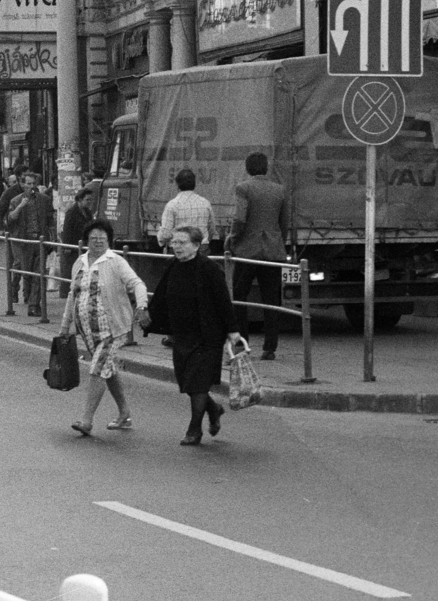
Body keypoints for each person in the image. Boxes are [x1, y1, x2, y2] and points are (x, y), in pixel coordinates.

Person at [145, 225, 244, 445]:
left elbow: (223, 301)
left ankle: (194, 429)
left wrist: (233, 330)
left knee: (198, 383)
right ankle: (214, 409)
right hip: (181, 335)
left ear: (197, 245)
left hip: (207, 335)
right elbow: (160, 297)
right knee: (189, 383)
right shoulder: (172, 266)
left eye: (182, 243)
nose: (176, 247)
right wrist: (148, 318)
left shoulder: (209, 269)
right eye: (174, 242)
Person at [60, 219, 148, 436]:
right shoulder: (79, 263)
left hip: (113, 328)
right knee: (107, 370)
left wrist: (142, 305)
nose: (98, 242)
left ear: (109, 241)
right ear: (86, 241)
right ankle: (124, 413)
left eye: (102, 239)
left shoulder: (116, 261)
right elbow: (73, 294)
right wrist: (65, 326)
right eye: (93, 238)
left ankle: (86, 420)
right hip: (88, 331)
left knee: (98, 368)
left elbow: (137, 283)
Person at [229, 153, 292, 361]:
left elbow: (239, 219)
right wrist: (278, 241)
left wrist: (233, 238)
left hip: (247, 250)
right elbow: (284, 223)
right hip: (273, 251)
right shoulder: (279, 190)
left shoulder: (243, 188)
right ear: (266, 168)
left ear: (248, 168)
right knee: (271, 299)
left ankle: (241, 343)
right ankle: (270, 347)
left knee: (239, 296)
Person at [6, 172, 55, 316]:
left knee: (39, 274)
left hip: (39, 241)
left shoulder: (44, 199)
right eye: (28, 183)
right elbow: (10, 220)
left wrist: (51, 238)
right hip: (23, 243)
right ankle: (25, 295)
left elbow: (50, 220)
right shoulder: (15, 200)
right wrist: (21, 206)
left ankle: (34, 305)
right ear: (22, 184)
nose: (31, 187)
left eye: (34, 184)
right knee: (26, 272)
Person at [157, 168, 213, 249]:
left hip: (179, 250)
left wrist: (161, 240)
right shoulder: (206, 203)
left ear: (177, 185)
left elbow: (166, 234)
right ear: (194, 184)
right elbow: (211, 229)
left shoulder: (172, 205)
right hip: (201, 249)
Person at [59, 188, 97, 299]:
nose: (90, 202)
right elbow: (67, 229)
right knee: (71, 269)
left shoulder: (87, 212)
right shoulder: (72, 212)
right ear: (80, 199)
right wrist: (67, 246)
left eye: (91, 200)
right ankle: (67, 292)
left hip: (84, 245)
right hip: (73, 245)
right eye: (87, 200)